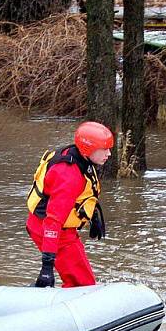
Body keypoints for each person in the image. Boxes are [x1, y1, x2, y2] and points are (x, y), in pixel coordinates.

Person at [26, 121, 113, 288]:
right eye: (105, 149)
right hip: (49, 230)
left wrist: (93, 216)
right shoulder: (68, 177)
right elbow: (53, 222)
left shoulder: (80, 157)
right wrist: (47, 266)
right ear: (89, 149)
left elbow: (84, 194)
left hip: (54, 227)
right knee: (83, 284)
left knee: (82, 279)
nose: (109, 154)